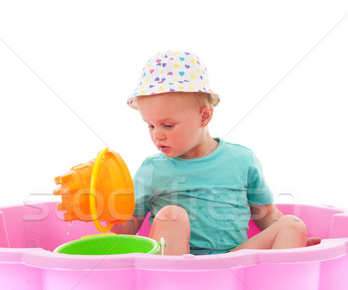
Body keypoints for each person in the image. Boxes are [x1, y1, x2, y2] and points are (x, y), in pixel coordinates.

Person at [113, 50, 314, 255]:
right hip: (178, 266)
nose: (157, 135)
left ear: (204, 116)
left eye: (168, 125)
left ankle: (272, 285)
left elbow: (265, 214)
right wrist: (106, 210)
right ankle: (174, 283)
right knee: (171, 215)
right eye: (150, 126)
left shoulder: (241, 160)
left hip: (234, 261)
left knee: (293, 224)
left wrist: (295, 239)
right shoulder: (152, 169)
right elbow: (128, 228)